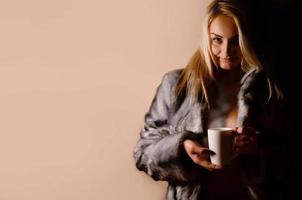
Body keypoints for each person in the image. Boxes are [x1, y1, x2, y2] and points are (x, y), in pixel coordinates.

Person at [133, 0, 283, 199]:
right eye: (217, 40)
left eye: (236, 40)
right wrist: (182, 148)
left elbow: (291, 157)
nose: (226, 52)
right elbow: (143, 154)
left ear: (248, 40)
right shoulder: (176, 86)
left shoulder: (267, 91)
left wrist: (258, 148)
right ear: (207, 39)